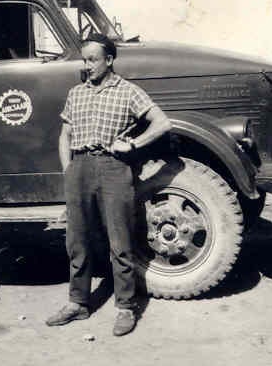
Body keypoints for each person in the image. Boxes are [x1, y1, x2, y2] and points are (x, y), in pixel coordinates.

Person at [46, 33, 172, 336]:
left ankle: (125, 307)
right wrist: (68, 169)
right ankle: (78, 303)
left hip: (114, 168)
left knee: (120, 241)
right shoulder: (76, 92)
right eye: (84, 59)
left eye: (92, 59)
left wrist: (134, 146)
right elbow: (64, 135)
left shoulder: (128, 91)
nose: (86, 65)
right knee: (76, 241)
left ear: (109, 60)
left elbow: (162, 122)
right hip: (80, 168)